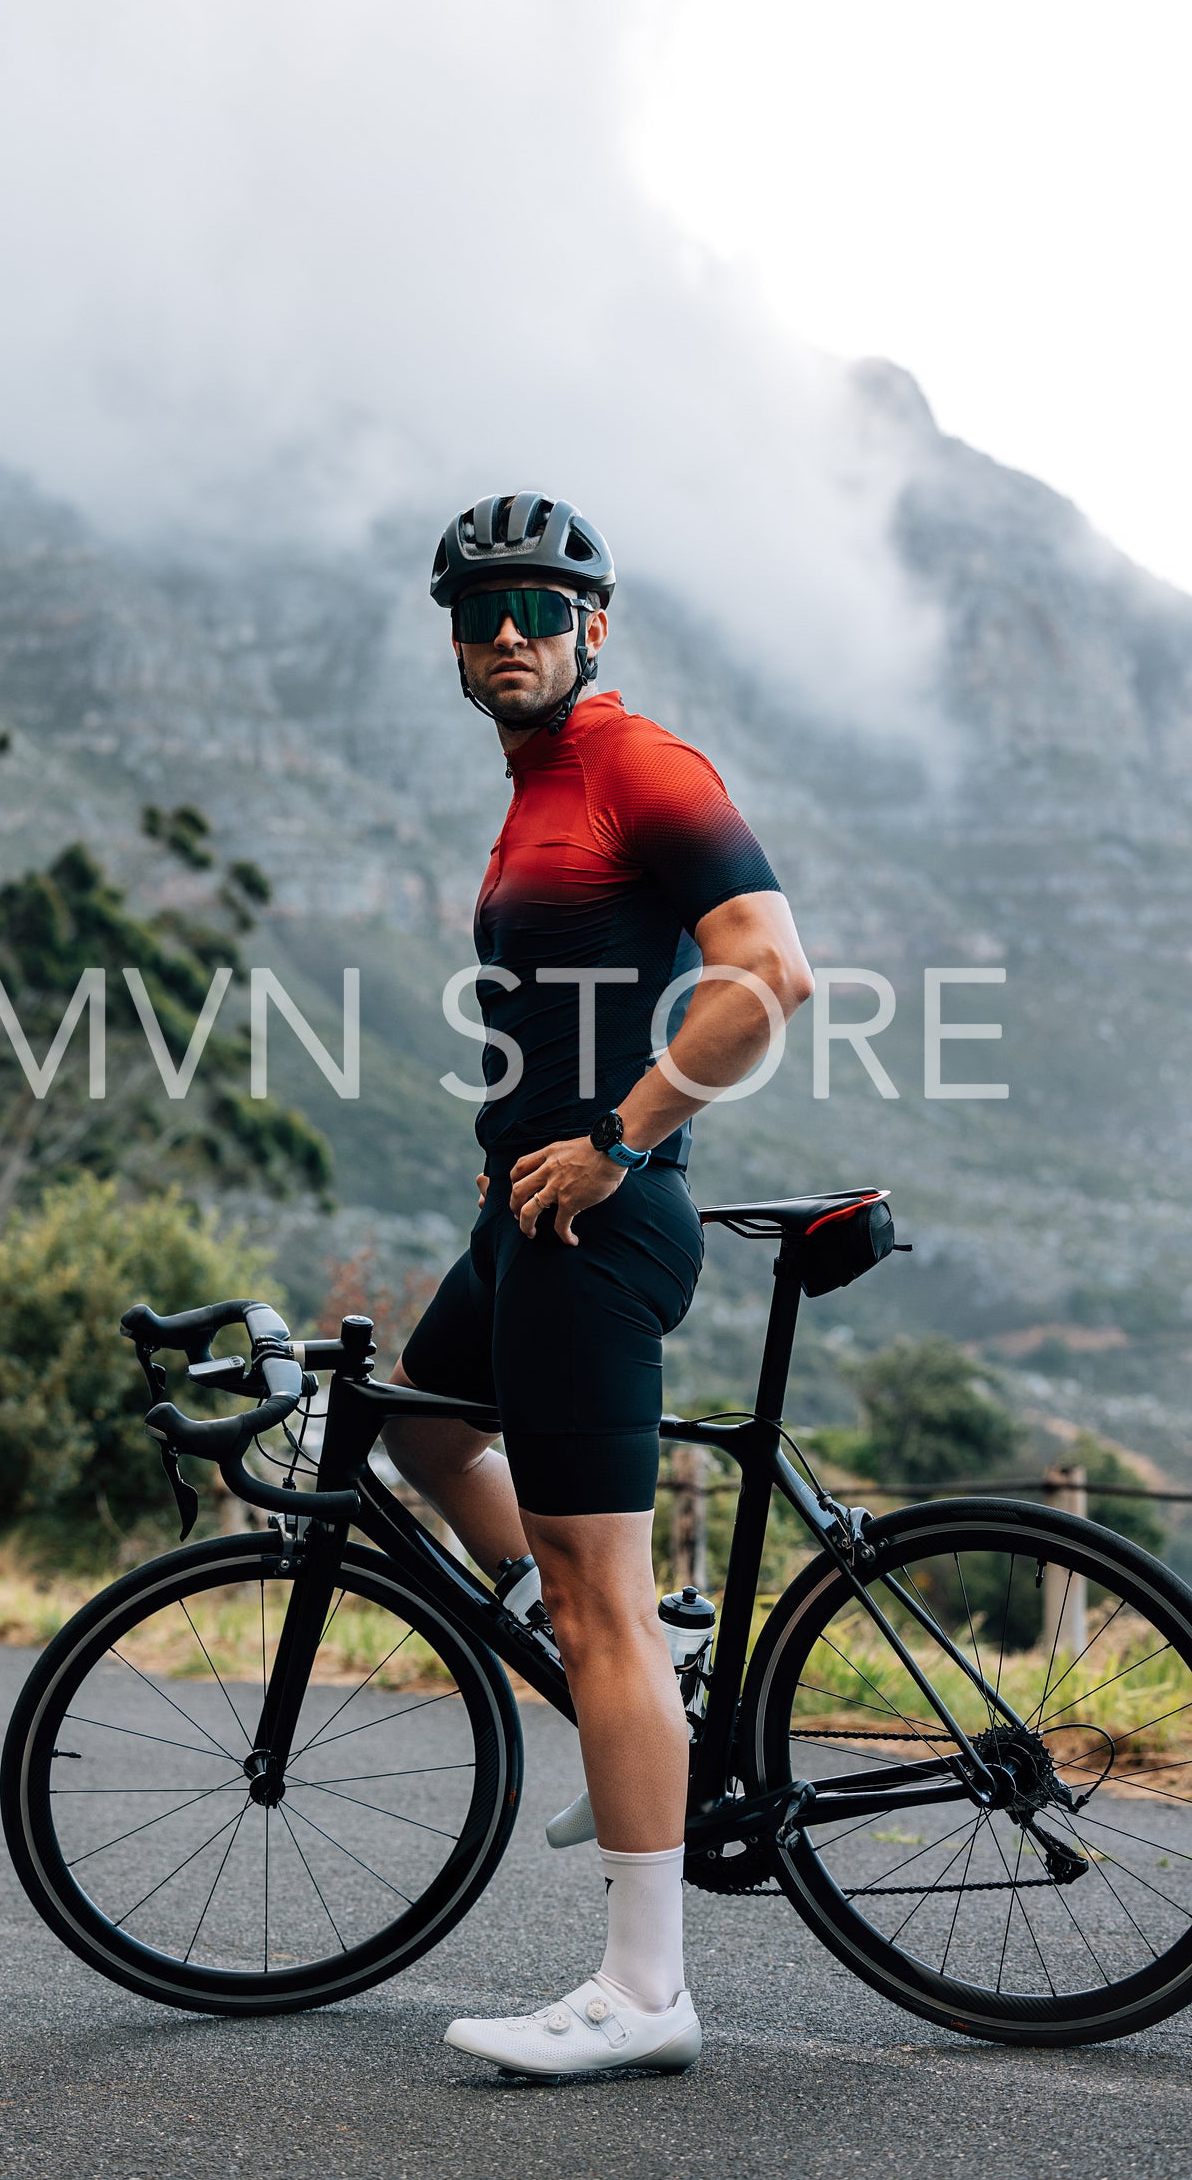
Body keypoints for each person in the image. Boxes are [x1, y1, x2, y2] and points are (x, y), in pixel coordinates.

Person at [384, 491, 813, 2081]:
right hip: (525, 1217)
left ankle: (644, 1995)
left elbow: (766, 971)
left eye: (535, 607)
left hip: (594, 1221)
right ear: (452, 634)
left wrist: (620, 1140)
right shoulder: (534, 784)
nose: (505, 631)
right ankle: (635, 1685)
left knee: (596, 1598)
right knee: (424, 1432)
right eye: (477, 608)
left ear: (591, 623)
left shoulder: (638, 764)